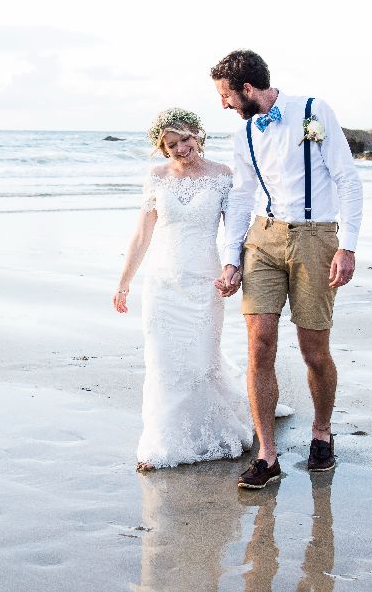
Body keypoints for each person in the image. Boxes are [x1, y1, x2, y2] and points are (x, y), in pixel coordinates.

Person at [210, 50, 363, 489]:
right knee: (259, 345)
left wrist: (347, 247)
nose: (224, 104)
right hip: (263, 239)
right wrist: (231, 257)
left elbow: (348, 179)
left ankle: (322, 433)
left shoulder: (314, 111)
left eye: (226, 96)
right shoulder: (244, 133)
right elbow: (242, 196)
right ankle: (267, 455)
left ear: (247, 89)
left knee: (314, 351)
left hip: (316, 238)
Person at [113, 108, 253, 472]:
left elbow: (234, 231)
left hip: (205, 284)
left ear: (198, 135)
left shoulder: (223, 175)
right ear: (163, 149)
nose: (180, 149)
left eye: (185, 139)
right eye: (171, 144)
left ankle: (210, 431)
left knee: (202, 363)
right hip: (162, 285)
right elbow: (142, 235)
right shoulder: (156, 177)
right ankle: (163, 443)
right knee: (163, 364)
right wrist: (124, 282)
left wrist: (233, 269)